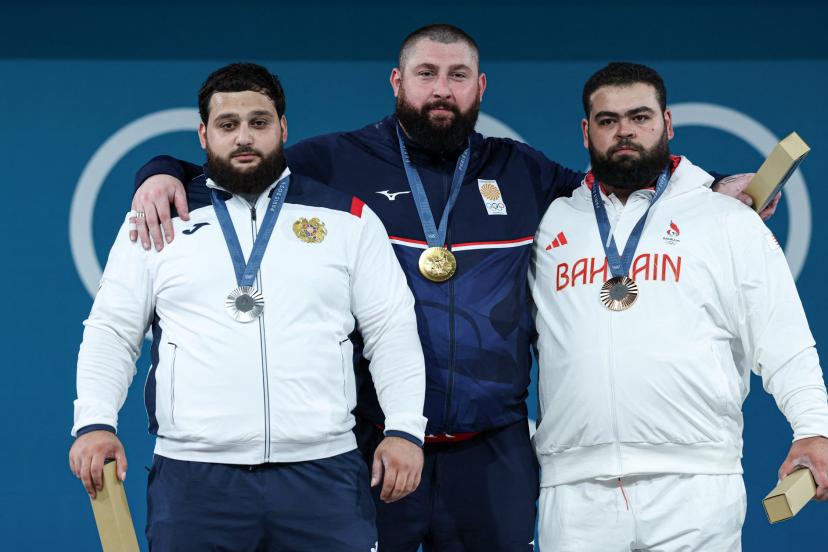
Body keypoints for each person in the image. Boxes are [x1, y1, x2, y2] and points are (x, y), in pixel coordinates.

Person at [126, 26, 774, 552]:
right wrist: (160, 170)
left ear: (480, 87)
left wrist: (715, 185)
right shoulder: (335, 162)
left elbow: (621, 186)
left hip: (492, 451)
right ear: (397, 83)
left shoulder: (518, 171)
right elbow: (244, 169)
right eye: (427, 75)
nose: (442, 90)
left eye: (458, 76)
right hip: (378, 442)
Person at [68, 62, 427, 551]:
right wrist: (94, 421)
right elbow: (112, 329)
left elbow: (391, 329)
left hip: (324, 476)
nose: (243, 137)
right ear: (202, 134)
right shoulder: (157, 220)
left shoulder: (347, 219)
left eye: (258, 123)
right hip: (195, 481)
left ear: (283, 128)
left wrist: (405, 428)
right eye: (227, 124)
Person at [530, 61, 828, 552]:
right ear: (586, 132)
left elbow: (782, 336)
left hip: (695, 486)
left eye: (640, 117)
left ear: (667, 124)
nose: (625, 131)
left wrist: (813, 428)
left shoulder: (724, 220)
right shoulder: (551, 224)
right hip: (575, 493)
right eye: (607, 121)